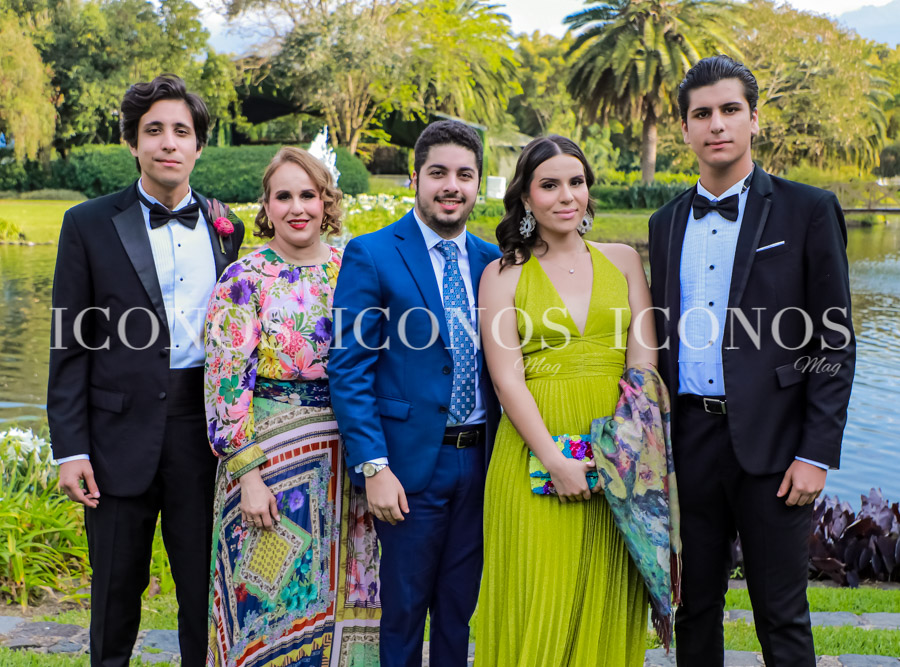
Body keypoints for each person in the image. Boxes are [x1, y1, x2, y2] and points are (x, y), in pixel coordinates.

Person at [647, 55, 856, 667]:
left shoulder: (808, 209)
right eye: (702, 114)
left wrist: (816, 452)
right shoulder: (664, 223)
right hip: (690, 442)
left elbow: (833, 341)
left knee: (781, 616)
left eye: (730, 110)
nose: (716, 124)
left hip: (777, 446)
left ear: (754, 119)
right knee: (695, 609)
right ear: (685, 128)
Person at [47, 74, 245, 667]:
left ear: (199, 145)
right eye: (153, 130)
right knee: (114, 595)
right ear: (133, 143)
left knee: (203, 596)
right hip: (115, 437)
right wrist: (70, 449)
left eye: (181, 131)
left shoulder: (226, 225)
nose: (168, 142)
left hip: (201, 435)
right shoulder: (87, 223)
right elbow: (68, 345)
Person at [473, 135, 656, 666]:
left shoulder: (624, 260)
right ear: (526, 198)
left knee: (605, 601)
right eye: (549, 185)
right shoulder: (503, 274)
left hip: (616, 454)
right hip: (534, 453)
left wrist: (621, 454)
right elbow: (507, 380)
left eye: (576, 182)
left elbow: (643, 366)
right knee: (538, 602)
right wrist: (555, 460)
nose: (566, 196)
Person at [328, 120, 501, 667]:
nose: (452, 186)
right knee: (403, 613)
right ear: (415, 179)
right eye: (439, 173)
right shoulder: (373, 253)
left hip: (482, 461)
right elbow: (349, 368)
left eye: (465, 175)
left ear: (478, 184)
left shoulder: (494, 261)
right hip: (406, 466)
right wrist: (374, 466)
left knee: (459, 611)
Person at [204, 146, 381, 667]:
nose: (297, 207)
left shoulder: (355, 269)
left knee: (351, 597)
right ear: (267, 205)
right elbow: (225, 385)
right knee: (271, 602)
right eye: (284, 196)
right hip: (271, 469)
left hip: (352, 463)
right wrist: (248, 477)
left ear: (327, 201)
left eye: (309, 194)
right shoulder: (244, 279)